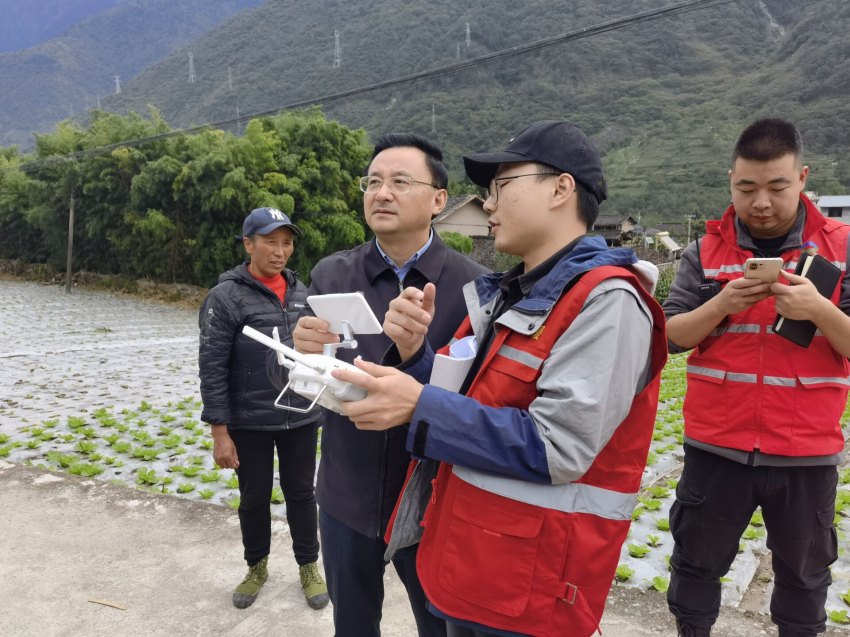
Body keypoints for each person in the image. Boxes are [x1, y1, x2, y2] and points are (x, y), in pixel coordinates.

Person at [330, 120, 669, 637]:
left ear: (561, 188)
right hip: (470, 560)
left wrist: (417, 403)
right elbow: (462, 398)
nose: (488, 204)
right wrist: (415, 355)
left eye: (500, 187)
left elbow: (558, 447)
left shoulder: (608, 302)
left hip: (529, 585)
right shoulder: (508, 293)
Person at [289, 134, 489, 636]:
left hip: (430, 503)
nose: (382, 193)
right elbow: (293, 377)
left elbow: (481, 404)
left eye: (400, 182)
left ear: (439, 200)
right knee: (353, 626)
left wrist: (416, 357)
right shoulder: (332, 272)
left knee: (439, 627)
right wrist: (300, 354)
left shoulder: (475, 288)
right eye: (373, 182)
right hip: (344, 495)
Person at [663, 119, 850, 637]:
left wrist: (817, 309)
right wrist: (721, 304)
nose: (761, 202)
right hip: (716, 449)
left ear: (802, 178)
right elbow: (672, 337)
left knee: (804, 580)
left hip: (806, 454)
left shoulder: (842, 249)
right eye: (746, 188)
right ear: (731, 182)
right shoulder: (704, 252)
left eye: (776, 187)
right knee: (695, 568)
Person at [198, 207, 329, 611]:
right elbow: (212, 367)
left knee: (302, 494)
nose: (280, 251)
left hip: (301, 418)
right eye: (270, 241)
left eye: (286, 242)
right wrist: (220, 432)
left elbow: (318, 353)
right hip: (249, 421)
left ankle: (309, 566)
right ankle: (256, 567)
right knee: (253, 497)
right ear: (248, 244)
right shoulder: (225, 298)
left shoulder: (302, 292)